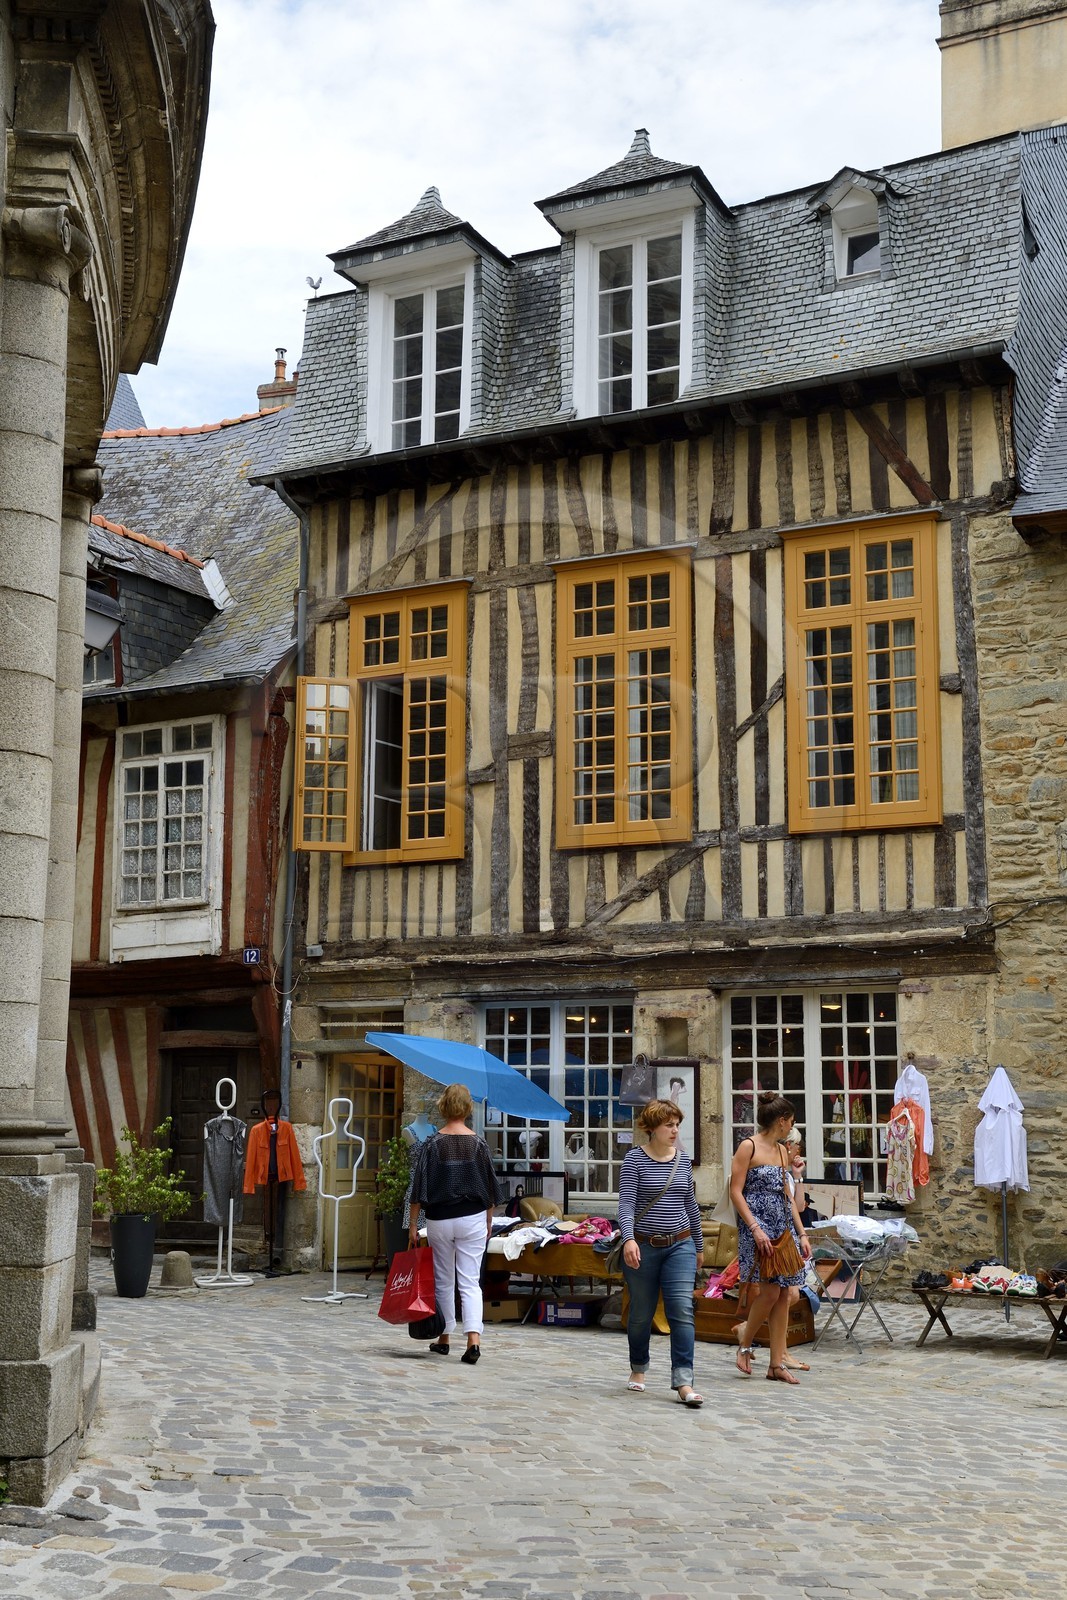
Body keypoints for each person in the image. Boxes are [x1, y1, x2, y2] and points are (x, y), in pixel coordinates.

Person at [407, 1083, 505, 1364]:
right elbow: (490, 1188)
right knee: (470, 1281)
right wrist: (488, 1219)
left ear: (443, 1107)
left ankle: (445, 1336)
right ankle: (473, 1339)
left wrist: (414, 1224)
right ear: (467, 1109)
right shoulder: (478, 1144)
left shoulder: (433, 1144)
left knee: (444, 1280)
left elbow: (418, 1187)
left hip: (440, 1218)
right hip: (472, 1217)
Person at [619, 1099, 705, 1407]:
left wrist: (698, 1244)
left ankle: (683, 1380)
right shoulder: (634, 1160)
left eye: (677, 1124)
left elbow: (690, 1206)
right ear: (652, 1128)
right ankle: (638, 1367)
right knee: (641, 1313)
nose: (675, 1130)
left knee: (681, 1310)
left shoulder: (682, 1161)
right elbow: (626, 1205)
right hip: (642, 1245)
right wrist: (628, 1240)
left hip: (680, 1244)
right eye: (669, 1124)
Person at [730, 1093, 812, 1384]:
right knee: (770, 1292)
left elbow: (787, 1197)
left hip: (781, 1227)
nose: (792, 1126)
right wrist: (754, 1227)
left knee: (782, 1295)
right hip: (757, 1227)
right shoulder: (748, 1146)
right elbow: (735, 1191)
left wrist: (801, 1233)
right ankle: (744, 1344)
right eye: (791, 1120)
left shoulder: (781, 1151)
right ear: (782, 1121)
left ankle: (776, 1364)